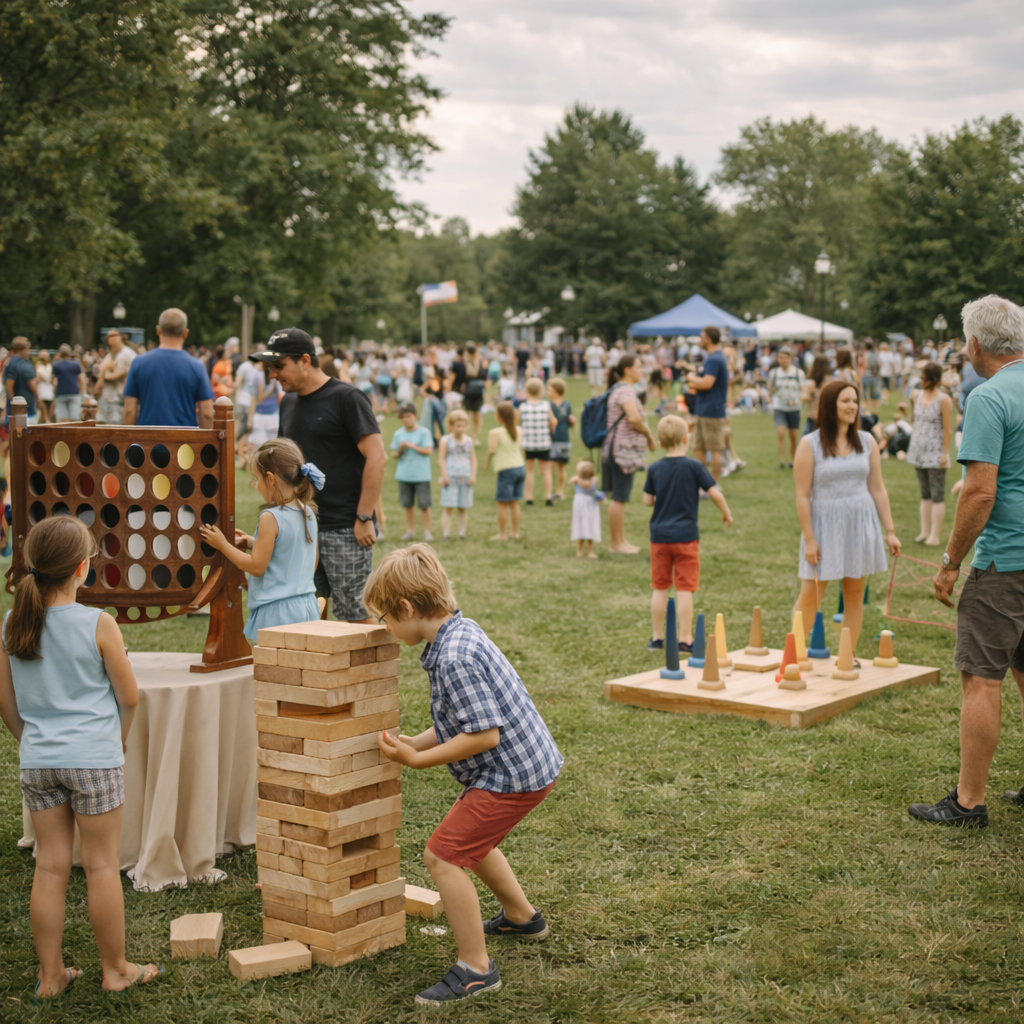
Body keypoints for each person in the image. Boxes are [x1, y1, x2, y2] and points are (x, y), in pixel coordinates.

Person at [365, 545, 562, 1007]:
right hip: (527, 765)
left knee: (443, 856)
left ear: (408, 609)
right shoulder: (459, 632)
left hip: (511, 773)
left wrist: (416, 761)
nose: (385, 629)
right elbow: (463, 718)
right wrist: (416, 741)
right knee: (470, 839)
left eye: (385, 619)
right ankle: (521, 916)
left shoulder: (453, 657)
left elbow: (484, 735)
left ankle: (476, 969)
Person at [0, 517, 162, 996]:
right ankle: (116, 971)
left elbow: (6, 700)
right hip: (94, 758)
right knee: (101, 866)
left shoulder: (13, 621)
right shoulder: (99, 623)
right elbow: (129, 696)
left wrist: (26, 739)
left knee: (49, 866)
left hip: (39, 759)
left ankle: (51, 977)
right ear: (82, 568)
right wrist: (119, 738)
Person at [911, 295, 1024, 828]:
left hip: (1005, 561)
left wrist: (951, 559)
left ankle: (968, 801)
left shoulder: (988, 395)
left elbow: (979, 493)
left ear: (974, 344)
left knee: (981, 678)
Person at [255, 328, 386, 623]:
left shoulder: (347, 398)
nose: (273, 375)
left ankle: (371, 671)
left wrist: (364, 517)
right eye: (269, 368)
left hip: (345, 527)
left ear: (304, 360)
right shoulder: (287, 403)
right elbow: (281, 464)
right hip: (300, 527)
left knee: (356, 616)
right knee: (307, 615)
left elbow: (377, 457)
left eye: (279, 367)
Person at [792, 381, 901, 658]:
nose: (853, 406)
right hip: (823, 526)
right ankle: (791, 654)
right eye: (845, 401)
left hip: (859, 524)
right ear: (830, 405)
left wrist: (890, 531)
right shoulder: (810, 444)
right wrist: (809, 539)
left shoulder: (867, 442)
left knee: (854, 594)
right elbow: (803, 496)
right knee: (811, 594)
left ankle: (847, 655)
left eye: (855, 400)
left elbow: (877, 488)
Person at [199, 438, 322, 642]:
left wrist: (223, 545)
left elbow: (256, 566)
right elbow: (306, 558)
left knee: (271, 671)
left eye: (256, 479)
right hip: (306, 606)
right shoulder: (308, 513)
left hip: (277, 613)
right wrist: (250, 542)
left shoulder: (270, 517)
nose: (255, 486)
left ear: (271, 479)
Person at [643, 415, 732, 652]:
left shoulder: (654, 468)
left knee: (660, 586)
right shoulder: (695, 466)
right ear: (686, 438)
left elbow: (647, 500)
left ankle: (656, 637)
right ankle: (685, 639)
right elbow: (714, 493)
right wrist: (726, 513)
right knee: (684, 588)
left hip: (659, 537)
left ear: (660, 443)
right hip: (686, 538)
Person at [123, 309, 213, 428]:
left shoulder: (138, 363)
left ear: (158, 331)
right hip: (184, 443)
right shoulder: (197, 366)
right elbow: (207, 413)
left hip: (147, 442)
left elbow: (130, 410)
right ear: (185, 333)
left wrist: (129, 442)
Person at [602, 355, 655, 554]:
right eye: (639, 366)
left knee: (619, 496)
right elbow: (633, 418)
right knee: (619, 496)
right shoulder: (625, 391)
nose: (642, 370)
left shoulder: (619, 389)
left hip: (615, 448)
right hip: (621, 450)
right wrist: (649, 434)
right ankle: (616, 543)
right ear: (627, 370)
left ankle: (620, 541)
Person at [906, 361, 954, 546]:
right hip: (918, 450)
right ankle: (924, 532)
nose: (921, 381)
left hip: (935, 453)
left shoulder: (944, 400)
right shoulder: (915, 395)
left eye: (924, 378)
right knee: (925, 493)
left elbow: (947, 430)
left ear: (934, 380)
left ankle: (934, 535)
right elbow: (914, 418)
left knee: (937, 494)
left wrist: (944, 454)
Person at [687, 326, 730, 481]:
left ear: (708, 339)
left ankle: (714, 485)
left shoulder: (715, 359)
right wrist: (694, 381)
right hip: (703, 409)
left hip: (713, 410)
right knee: (698, 448)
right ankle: (701, 484)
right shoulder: (712, 358)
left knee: (715, 449)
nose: (700, 341)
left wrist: (692, 378)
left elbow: (706, 383)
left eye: (701, 337)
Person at [391, 401, 434, 542]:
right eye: (403, 417)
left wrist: (411, 445)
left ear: (415, 416)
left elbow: (428, 451)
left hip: (421, 475)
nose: (406, 419)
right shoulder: (398, 434)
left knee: (424, 505)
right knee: (407, 505)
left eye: (408, 416)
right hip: (404, 475)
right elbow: (394, 454)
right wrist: (402, 449)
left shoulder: (424, 432)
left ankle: (427, 531)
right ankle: (410, 531)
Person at [485, 401, 525, 542]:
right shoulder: (519, 430)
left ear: (498, 415)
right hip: (520, 468)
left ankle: (502, 534)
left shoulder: (495, 433)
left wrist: (487, 462)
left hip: (506, 470)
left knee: (502, 503)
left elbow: (492, 450)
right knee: (514, 502)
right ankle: (515, 532)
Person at [517, 378, 556, 506]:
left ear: (527, 391)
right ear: (541, 391)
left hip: (528, 444)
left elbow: (516, 423)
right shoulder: (546, 405)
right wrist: (551, 431)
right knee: (546, 471)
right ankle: (548, 496)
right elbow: (553, 421)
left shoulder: (523, 406)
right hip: (544, 443)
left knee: (529, 471)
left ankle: (529, 497)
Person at [438, 409, 476, 542]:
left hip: (465, 477)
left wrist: (473, 475)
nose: (461, 428)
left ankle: (462, 532)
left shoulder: (469, 441)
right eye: (457, 425)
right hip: (450, 477)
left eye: (463, 425)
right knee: (448, 506)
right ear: (451, 426)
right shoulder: (445, 440)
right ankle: (446, 533)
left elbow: (473, 459)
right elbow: (441, 459)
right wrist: (444, 476)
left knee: (462, 507)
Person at [768, 346, 805, 468]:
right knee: (781, 433)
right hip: (779, 406)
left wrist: (797, 400)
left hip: (794, 407)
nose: (782, 360)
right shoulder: (774, 373)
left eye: (785, 357)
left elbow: (803, 390)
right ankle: (782, 460)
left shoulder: (798, 373)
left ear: (790, 358)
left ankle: (793, 459)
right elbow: (771, 389)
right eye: (780, 357)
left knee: (793, 436)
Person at [94, 329, 136, 425]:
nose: (112, 339)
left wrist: (104, 377)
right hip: (107, 398)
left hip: (116, 400)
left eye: (114, 336)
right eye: (110, 337)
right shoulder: (111, 355)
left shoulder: (126, 354)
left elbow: (129, 372)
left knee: (114, 432)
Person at [569, 459, 605, 558]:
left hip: (580, 503)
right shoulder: (594, 480)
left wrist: (578, 479)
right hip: (590, 504)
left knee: (581, 525)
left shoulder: (576, 479)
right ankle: (589, 552)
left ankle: (579, 551)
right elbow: (588, 486)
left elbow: (573, 482)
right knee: (590, 525)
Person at [546, 378, 575, 500]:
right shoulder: (547, 405)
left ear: (556, 391)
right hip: (551, 440)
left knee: (561, 467)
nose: (547, 392)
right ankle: (550, 491)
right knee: (550, 467)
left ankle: (560, 491)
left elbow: (570, 421)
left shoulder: (566, 405)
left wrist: (572, 422)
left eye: (549, 389)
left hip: (564, 439)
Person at [5, 337, 38, 425]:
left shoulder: (13, 362)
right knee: (22, 434)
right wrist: (14, 404)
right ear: (24, 349)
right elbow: (9, 383)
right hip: (21, 411)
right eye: (28, 348)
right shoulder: (17, 363)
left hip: (23, 409)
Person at [248, 364, 283, 447]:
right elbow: (256, 399)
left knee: (271, 444)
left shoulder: (275, 378)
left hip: (272, 414)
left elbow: (280, 396)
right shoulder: (258, 377)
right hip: (262, 415)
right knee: (260, 445)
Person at [51, 345, 85, 423]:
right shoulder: (76, 364)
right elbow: (81, 379)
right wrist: (83, 393)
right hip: (74, 393)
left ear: (60, 353)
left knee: (61, 420)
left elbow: (54, 381)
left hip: (60, 393)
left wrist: (53, 392)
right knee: (75, 419)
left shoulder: (56, 365)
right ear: (70, 353)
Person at [801, 355, 832, 435]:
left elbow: (805, 397)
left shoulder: (811, 381)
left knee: (806, 443)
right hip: (826, 417)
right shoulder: (831, 380)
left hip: (812, 416)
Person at [35, 350, 54, 423]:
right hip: (41, 389)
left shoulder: (49, 366)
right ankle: (46, 421)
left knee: (48, 407)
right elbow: (45, 376)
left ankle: (47, 421)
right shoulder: (39, 366)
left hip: (49, 389)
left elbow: (49, 377)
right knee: (42, 408)